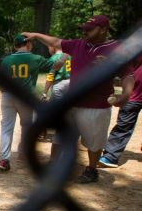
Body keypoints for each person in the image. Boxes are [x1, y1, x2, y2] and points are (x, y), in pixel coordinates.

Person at [23, 15, 135, 183]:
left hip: (96, 106)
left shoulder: (116, 49)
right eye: (83, 28)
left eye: (89, 29)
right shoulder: (78, 44)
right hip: (72, 103)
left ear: (103, 29)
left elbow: (128, 74)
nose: (84, 31)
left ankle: (91, 169)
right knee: (61, 136)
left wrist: (125, 94)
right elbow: (55, 42)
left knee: (94, 142)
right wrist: (36, 35)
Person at [0, 34, 52, 171]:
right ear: (27, 45)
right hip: (25, 97)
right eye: (30, 44)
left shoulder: (6, 60)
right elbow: (54, 64)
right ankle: (24, 153)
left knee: (7, 127)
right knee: (26, 125)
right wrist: (62, 55)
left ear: (16, 46)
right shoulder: (35, 58)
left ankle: (4, 159)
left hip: (8, 96)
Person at [99, 62, 142, 168]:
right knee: (123, 126)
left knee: (123, 126)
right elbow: (119, 76)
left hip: (133, 95)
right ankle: (110, 157)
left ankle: (110, 156)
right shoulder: (132, 51)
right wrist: (118, 95)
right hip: (132, 96)